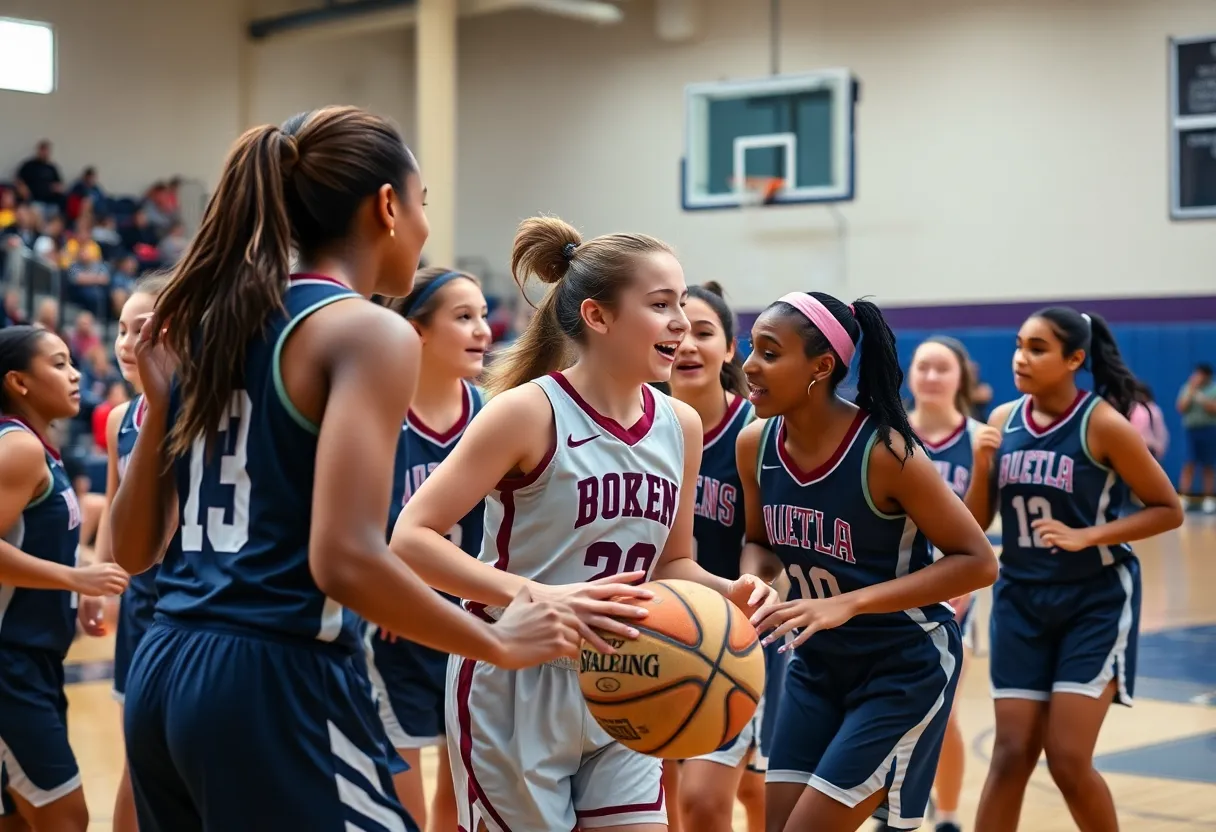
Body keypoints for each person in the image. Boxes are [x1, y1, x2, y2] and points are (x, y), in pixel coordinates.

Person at [107, 107, 584, 832]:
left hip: (163, 665)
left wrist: (158, 404)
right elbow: (345, 558)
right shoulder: (367, 329)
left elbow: (134, 552)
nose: (423, 228)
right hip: (272, 676)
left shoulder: (216, 320)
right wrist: (495, 640)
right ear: (387, 207)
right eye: (422, 205)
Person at [390, 216, 780, 832]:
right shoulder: (526, 412)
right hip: (516, 677)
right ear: (597, 317)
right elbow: (411, 537)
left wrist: (725, 591)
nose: (680, 321)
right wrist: (543, 597)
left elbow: (672, 563)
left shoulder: (680, 425)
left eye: (681, 303)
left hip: (631, 671)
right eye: (660, 304)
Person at [738, 291, 998, 832]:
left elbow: (977, 562)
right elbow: (760, 541)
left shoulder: (888, 453)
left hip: (903, 666)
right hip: (816, 665)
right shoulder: (755, 445)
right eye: (751, 348)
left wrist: (847, 604)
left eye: (769, 352)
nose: (749, 365)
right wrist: (754, 579)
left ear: (821, 367)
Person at [968, 307, 1184, 832]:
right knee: (1010, 753)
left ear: (1074, 359)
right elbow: (975, 523)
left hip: (1094, 601)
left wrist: (1089, 534)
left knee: (1066, 758)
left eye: (1038, 348)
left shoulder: (1103, 423)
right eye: (1020, 345)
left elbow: (1168, 508)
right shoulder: (1001, 422)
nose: (1021, 357)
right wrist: (980, 467)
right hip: (1021, 600)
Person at [367, 267, 491, 831]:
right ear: (415, 331)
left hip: (476, 624)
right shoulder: (374, 414)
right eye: (463, 317)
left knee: (459, 800)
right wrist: (388, 594)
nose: (482, 331)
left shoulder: (496, 414)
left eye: (484, 316)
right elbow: (353, 528)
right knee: (403, 809)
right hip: (397, 634)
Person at [0, 325, 130, 831]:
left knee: (19, 822)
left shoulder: (38, 448)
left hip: (33, 661)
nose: (75, 374)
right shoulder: (18, 450)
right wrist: (77, 581)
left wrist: (73, 587)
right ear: (19, 382)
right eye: (57, 364)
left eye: (71, 362)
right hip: (9, 666)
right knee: (66, 819)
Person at [666, 281, 780, 832]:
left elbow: (775, 543)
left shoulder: (754, 434)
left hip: (737, 635)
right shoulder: (639, 430)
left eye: (703, 333)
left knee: (705, 802)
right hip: (659, 631)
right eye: (678, 330)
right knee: (671, 796)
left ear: (731, 348)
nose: (688, 344)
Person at [84, 271, 171, 832]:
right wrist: (95, 581)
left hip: (194, 599)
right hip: (144, 606)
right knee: (139, 765)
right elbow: (115, 515)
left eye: (139, 328)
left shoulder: (204, 410)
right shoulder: (120, 419)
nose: (124, 342)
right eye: (119, 329)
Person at [902, 335, 999, 832]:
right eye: (924, 367)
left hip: (955, 590)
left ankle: (950, 815)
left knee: (946, 711)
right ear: (910, 374)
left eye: (943, 369)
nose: (933, 377)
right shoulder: (888, 434)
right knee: (895, 710)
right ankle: (895, 807)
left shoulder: (980, 438)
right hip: (893, 588)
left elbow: (980, 527)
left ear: (962, 377)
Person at [1176, 362, 1216, 513]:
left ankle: (1209, 498)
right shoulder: (1188, 388)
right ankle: (1184, 497)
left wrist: (1202, 398)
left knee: (1208, 465)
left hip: (1209, 430)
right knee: (1189, 463)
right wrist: (1192, 391)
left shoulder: (1213, 389)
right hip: (1191, 431)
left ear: (1206, 376)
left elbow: (1214, 409)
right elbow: (1181, 407)